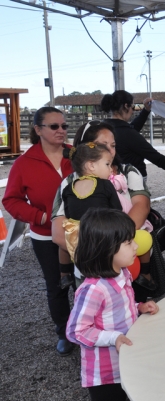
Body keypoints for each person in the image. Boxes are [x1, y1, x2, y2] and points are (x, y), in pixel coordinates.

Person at [66, 208, 159, 401]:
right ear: (105, 248)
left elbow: (116, 311)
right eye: (128, 242)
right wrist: (114, 337)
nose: (136, 246)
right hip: (106, 374)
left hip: (128, 362)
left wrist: (139, 307)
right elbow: (76, 331)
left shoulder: (122, 272)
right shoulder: (93, 290)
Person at [52, 121, 156, 300]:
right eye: (103, 145)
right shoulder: (68, 182)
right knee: (95, 308)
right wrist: (97, 250)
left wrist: (115, 242)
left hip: (125, 250)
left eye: (113, 145)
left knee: (131, 304)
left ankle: (143, 277)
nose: (111, 150)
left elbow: (142, 205)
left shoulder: (128, 172)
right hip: (88, 260)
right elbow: (60, 226)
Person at [2, 107, 75, 356]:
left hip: (81, 232)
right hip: (45, 236)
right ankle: (64, 331)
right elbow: (11, 200)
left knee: (87, 280)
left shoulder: (75, 155)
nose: (61, 130)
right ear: (38, 130)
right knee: (57, 285)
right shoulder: (24, 163)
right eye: (54, 126)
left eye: (64, 126)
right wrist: (41, 217)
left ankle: (91, 327)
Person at [101, 90, 165, 181]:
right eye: (132, 107)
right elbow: (157, 158)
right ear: (126, 106)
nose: (132, 111)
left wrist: (146, 111)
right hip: (132, 180)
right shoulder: (128, 134)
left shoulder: (103, 128)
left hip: (111, 178)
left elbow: (132, 127)